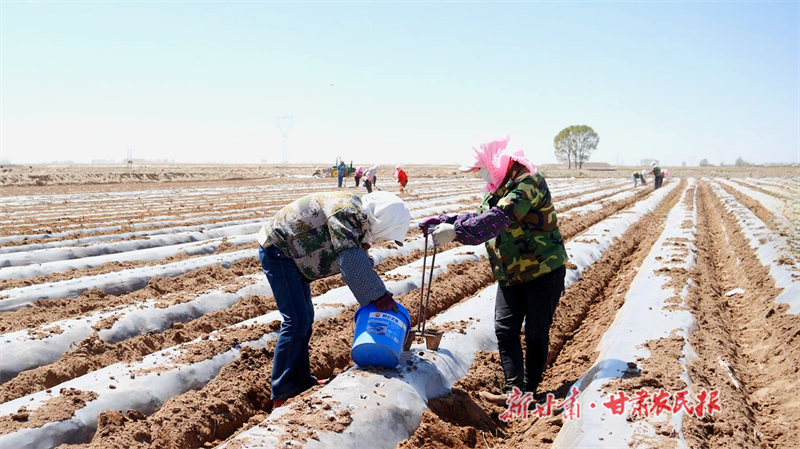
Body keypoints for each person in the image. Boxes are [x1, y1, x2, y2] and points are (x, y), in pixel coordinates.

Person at [420, 134, 568, 405]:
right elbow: (479, 216)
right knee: (505, 329)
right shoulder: (497, 188)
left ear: (497, 161)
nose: (480, 174)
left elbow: (498, 218)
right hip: (511, 273)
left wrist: (455, 232)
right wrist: (445, 220)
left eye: (481, 168)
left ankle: (531, 390)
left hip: (542, 271)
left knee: (536, 331)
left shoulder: (528, 184)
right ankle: (516, 392)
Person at [256, 191, 410, 408]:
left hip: (292, 253)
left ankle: (299, 381)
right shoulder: (346, 212)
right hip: (279, 250)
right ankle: (281, 392)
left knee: (305, 318)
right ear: (385, 220)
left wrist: (376, 287)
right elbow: (349, 259)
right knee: (296, 320)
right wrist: (378, 296)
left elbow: (356, 254)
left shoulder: (357, 217)